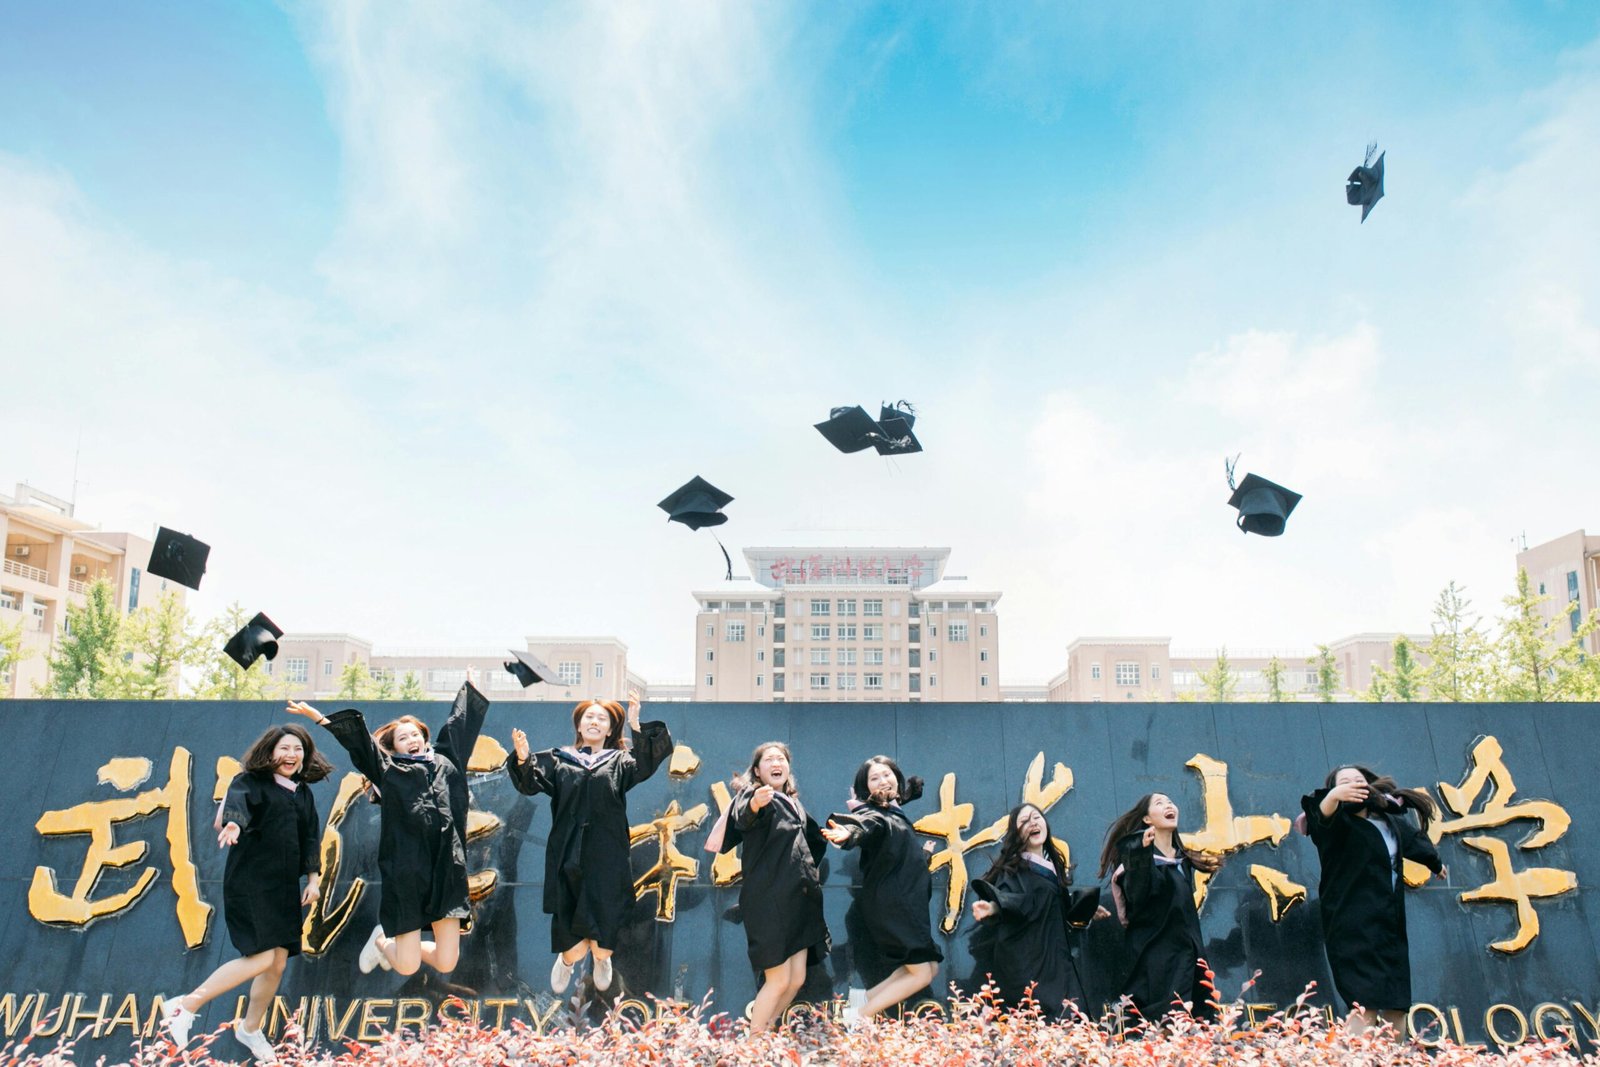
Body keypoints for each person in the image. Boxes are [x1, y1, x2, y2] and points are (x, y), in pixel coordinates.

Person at [287, 672, 489, 978]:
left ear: (424, 737)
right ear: (394, 748)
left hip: (447, 870)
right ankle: (381, 940)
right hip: (407, 872)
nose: (411, 740)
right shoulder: (390, 770)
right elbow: (360, 744)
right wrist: (320, 719)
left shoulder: (448, 761)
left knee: (447, 962)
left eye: (415, 734)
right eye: (402, 737)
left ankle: (388, 940)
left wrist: (471, 689)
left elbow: (459, 724)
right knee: (407, 966)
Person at [162, 724, 332, 1063]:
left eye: (297, 750)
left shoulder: (301, 793)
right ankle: (185, 1005)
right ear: (269, 752)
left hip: (283, 887)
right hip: (251, 882)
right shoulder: (249, 782)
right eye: (284, 748)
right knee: (265, 956)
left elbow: (311, 837)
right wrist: (234, 823)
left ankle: (250, 1029)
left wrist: (313, 878)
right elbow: (236, 807)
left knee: (278, 962)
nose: (291, 755)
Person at [507, 690, 672, 994]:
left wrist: (635, 723)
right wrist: (521, 756)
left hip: (607, 856)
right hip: (568, 852)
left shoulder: (620, 761)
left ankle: (602, 959)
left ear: (610, 729)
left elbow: (646, 763)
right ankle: (567, 961)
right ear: (580, 726)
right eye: (589, 717)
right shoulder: (558, 759)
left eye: (603, 718)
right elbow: (529, 781)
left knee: (602, 942)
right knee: (576, 946)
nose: (595, 721)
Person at [1301, 765, 1445, 1036]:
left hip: (1389, 925)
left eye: (1359, 780)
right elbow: (1322, 814)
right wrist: (1334, 796)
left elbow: (1414, 842)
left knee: (1396, 1007)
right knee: (1364, 1005)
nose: (1353, 783)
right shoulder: (1334, 824)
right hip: (1351, 925)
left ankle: (1393, 1059)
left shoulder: (1386, 820)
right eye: (1344, 782)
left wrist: (1435, 863)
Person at [716, 741, 830, 1032]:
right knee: (778, 979)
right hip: (770, 898)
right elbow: (743, 815)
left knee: (796, 979)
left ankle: (765, 1036)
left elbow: (813, 842)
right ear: (757, 770)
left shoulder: (793, 803)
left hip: (798, 898)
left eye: (781, 759)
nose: (776, 763)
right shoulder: (754, 795)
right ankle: (752, 1049)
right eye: (769, 760)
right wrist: (756, 802)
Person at [820, 755, 942, 1024]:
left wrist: (922, 857)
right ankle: (858, 1017)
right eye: (874, 778)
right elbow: (863, 825)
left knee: (927, 968)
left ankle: (860, 1003)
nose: (883, 780)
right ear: (867, 790)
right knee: (921, 973)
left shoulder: (892, 812)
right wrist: (848, 834)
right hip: (895, 906)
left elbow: (894, 856)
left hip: (907, 905)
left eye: (887, 775)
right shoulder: (874, 814)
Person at [970, 803, 1106, 1019]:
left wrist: (1085, 909)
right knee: (1052, 1020)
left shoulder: (1049, 869)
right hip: (1033, 965)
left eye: (1036, 817)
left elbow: (1050, 906)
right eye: (1024, 821)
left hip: (1055, 961)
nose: (1032, 822)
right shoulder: (1014, 871)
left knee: (1071, 1022)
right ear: (1017, 834)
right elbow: (1017, 901)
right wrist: (994, 907)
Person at [1098, 793, 1221, 1024]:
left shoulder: (1181, 862)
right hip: (1159, 965)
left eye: (1170, 802)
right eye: (1160, 803)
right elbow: (1139, 896)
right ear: (1147, 819)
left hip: (1192, 961)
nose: (1169, 805)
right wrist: (1140, 854)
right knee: (1166, 1030)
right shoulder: (1136, 860)